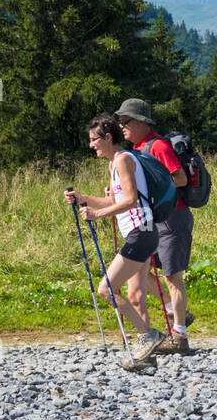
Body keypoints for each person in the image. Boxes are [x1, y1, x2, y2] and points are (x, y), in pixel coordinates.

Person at [64, 114, 165, 368]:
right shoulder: (114, 165)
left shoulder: (124, 160)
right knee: (136, 293)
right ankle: (146, 357)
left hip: (141, 231)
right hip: (141, 231)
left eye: (94, 140)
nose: (91, 145)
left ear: (108, 138)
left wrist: (96, 215)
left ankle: (149, 335)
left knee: (106, 289)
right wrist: (82, 198)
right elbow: (114, 202)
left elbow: (130, 200)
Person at [116, 99, 195, 355]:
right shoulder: (137, 148)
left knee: (172, 276)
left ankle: (179, 336)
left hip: (173, 218)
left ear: (140, 122)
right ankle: (174, 309)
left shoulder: (157, 145)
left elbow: (180, 178)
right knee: (138, 270)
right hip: (154, 220)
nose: (121, 126)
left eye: (125, 121)